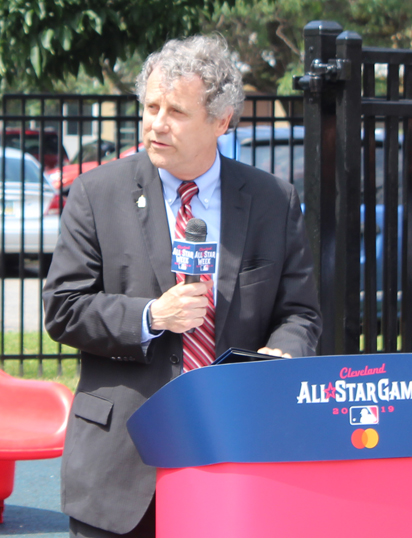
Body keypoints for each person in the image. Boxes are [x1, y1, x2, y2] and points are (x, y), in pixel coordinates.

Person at [43, 34, 322, 538]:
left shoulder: (272, 201)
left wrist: (283, 355)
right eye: (150, 107)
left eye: (175, 110)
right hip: (121, 465)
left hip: (234, 454)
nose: (156, 123)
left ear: (221, 121)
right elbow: (62, 308)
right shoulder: (95, 193)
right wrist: (151, 317)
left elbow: (299, 313)